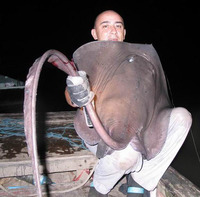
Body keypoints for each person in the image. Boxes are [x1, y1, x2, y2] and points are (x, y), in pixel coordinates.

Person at [65, 10, 192, 197]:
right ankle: (99, 188)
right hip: (102, 133)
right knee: (128, 155)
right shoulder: (88, 60)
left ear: (124, 32)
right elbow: (71, 94)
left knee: (183, 117)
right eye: (105, 25)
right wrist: (75, 93)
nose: (113, 30)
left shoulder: (141, 58)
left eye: (118, 26)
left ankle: (141, 181)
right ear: (94, 33)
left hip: (141, 126)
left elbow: (159, 97)